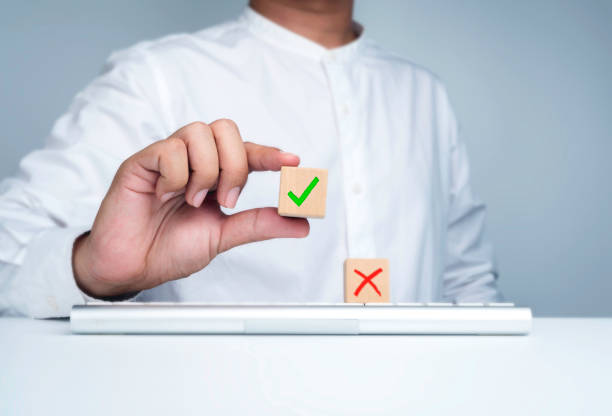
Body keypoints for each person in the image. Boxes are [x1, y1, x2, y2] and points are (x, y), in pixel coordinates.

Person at [0, 0, 501, 317]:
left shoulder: (425, 94)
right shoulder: (155, 76)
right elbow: (8, 255)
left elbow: (468, 286)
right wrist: (92, 269)